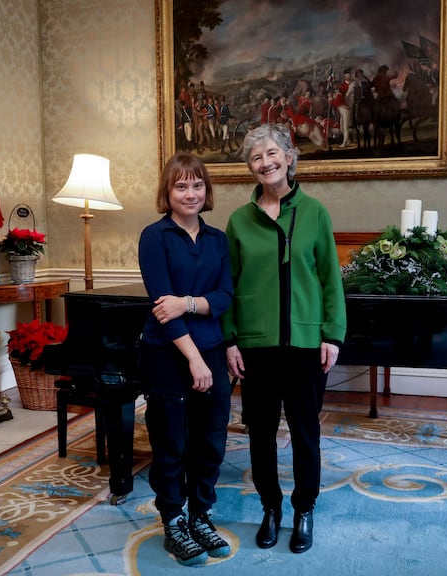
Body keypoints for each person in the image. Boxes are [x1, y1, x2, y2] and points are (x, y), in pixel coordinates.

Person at [221, 123, 346, 554]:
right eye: (256, 157)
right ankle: (270, 508)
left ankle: (304, 509)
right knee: (259, 434)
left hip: (307, 345)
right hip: (255, 346)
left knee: (305, 431)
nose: (265, 162)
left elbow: (331, 279)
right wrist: (230, 340)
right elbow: (228, 286)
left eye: (272, 153)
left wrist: (333, 334)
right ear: (250, 167)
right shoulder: (238, 220)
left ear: (290, 157)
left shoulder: (314, 212)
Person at [138, 153, 234, 566]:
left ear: (206, 190)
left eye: (197, 185)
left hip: (212, 348)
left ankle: (200, 515)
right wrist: (195, 360)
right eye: (181, 186)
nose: (190, 193)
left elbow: (225, 297)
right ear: (168, 192)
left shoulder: (217, 240)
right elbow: (163, 309)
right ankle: (174, 520)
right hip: (168, 354)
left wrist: (188, 303)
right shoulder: (154, 237)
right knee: (171, 441)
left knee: (211, 438)